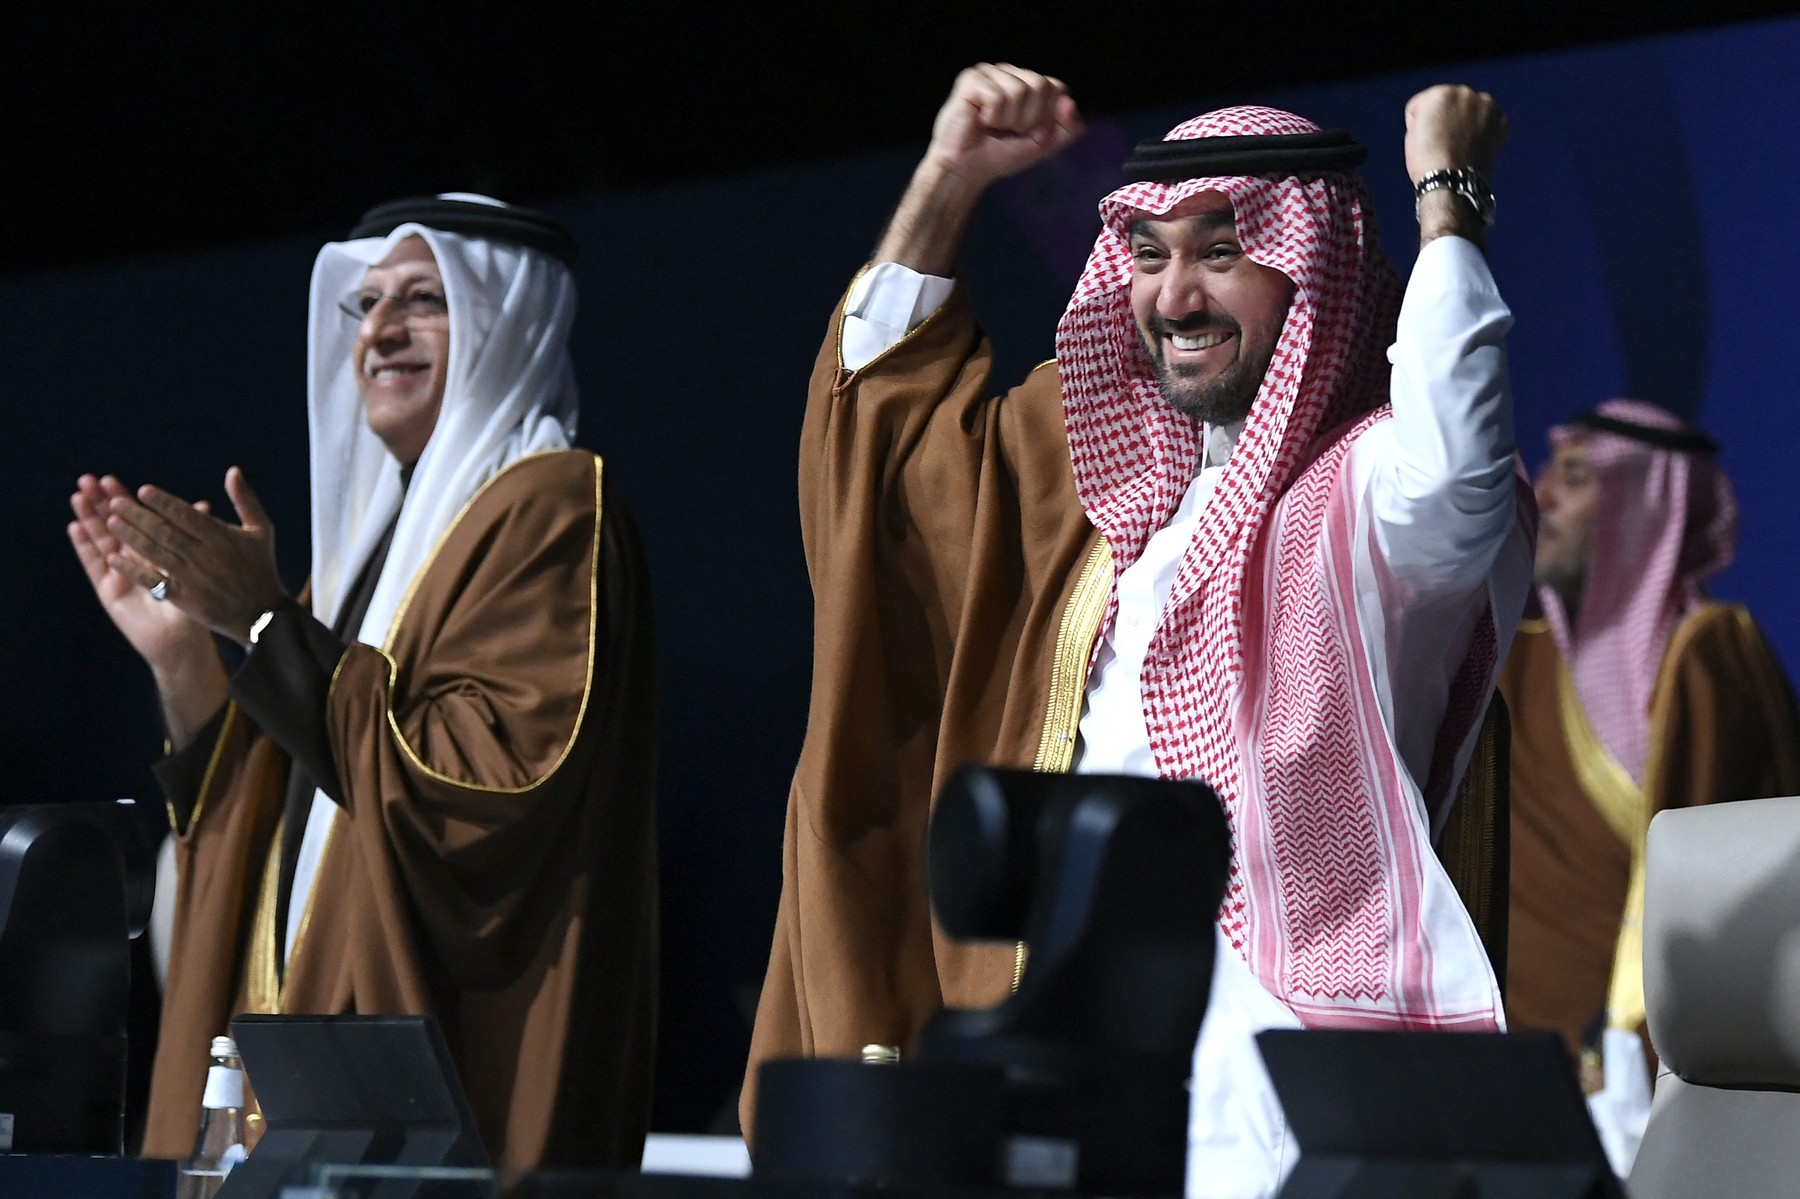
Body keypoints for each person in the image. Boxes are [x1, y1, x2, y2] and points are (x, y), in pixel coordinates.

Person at [747, 64, 1530, 1195]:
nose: (1175, 297)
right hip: (1088, 1067)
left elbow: (1460, 456)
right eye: (1150, 255)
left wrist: (1449, 201)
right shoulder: (1106, 504)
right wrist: (948, 177)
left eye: (1221, 251)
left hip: (1289, 1077)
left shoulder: (1369, 500)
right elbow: (887, 441)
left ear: (1313, 270)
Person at [66, 196, 658, 1169]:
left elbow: (477, 794)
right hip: (307, 1092)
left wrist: (268, 624)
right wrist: (189, 656)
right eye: (369, 303)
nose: (379, 328)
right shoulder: (368, 557)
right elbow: (282, 806)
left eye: (423, 299)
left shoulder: (548, 504)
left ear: (505, 318)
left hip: (439, 1090)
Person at [1504, 400, 1800, 1083]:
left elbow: (1723, 886)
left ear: (1642, 507)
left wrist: (1630, 1051)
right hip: (1519, 1068)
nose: (1541, 493)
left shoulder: (1709, 653)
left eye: (1576, 477)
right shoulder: (1522, 662)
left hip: (1670, 1074)